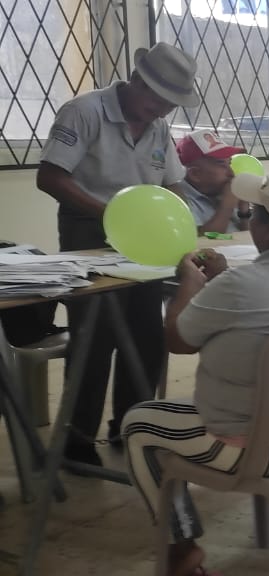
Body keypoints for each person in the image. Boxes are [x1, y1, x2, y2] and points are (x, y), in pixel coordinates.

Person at [121, 168, 269, 576]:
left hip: (254, 448)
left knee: (137, 425)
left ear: (267, 230)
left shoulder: (242, 285)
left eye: (254, 215)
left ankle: (182, 551)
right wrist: (222, 281)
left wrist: (190, 284)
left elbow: (179, 339)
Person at [36, 42, 196, 467]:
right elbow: (49, 176)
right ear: (137, 80)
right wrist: (112, 215)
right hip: (88, 228)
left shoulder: (158, 127)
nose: (162, 110)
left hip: (145, 237)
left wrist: (180, 225)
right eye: (157, 99)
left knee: (146, 336)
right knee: (94, 337)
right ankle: (77, 440)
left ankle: (132, 427)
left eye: (170, 104)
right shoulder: (84, 111)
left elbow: (172, 184)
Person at [173, 129, 250, 234]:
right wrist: (227, 205)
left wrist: (244, 213)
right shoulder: (180, 200)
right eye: (221, 164)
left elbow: (250, 238)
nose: (231, 173)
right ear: (195, 174)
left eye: (229, 163)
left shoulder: (218, 190)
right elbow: (202, 239)